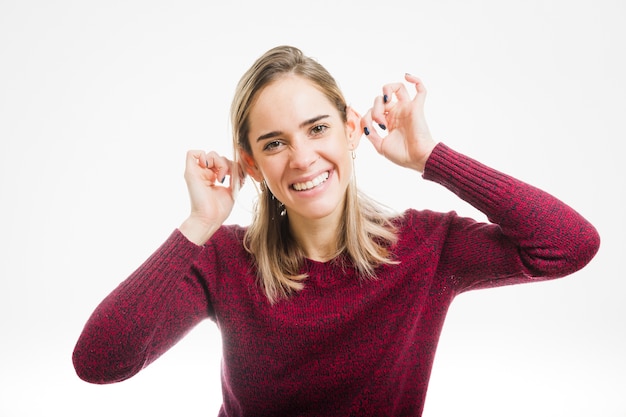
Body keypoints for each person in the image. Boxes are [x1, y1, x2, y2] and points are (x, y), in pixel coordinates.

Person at [72, 45, 600, 416]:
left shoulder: (424, 248)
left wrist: (431, 158)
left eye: (317, 128)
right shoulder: (224, 259)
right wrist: (199, 223)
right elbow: (99, 363)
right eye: (274, 143)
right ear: (251, 164)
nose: (303, 159)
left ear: (350, 129)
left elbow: (569, 245)